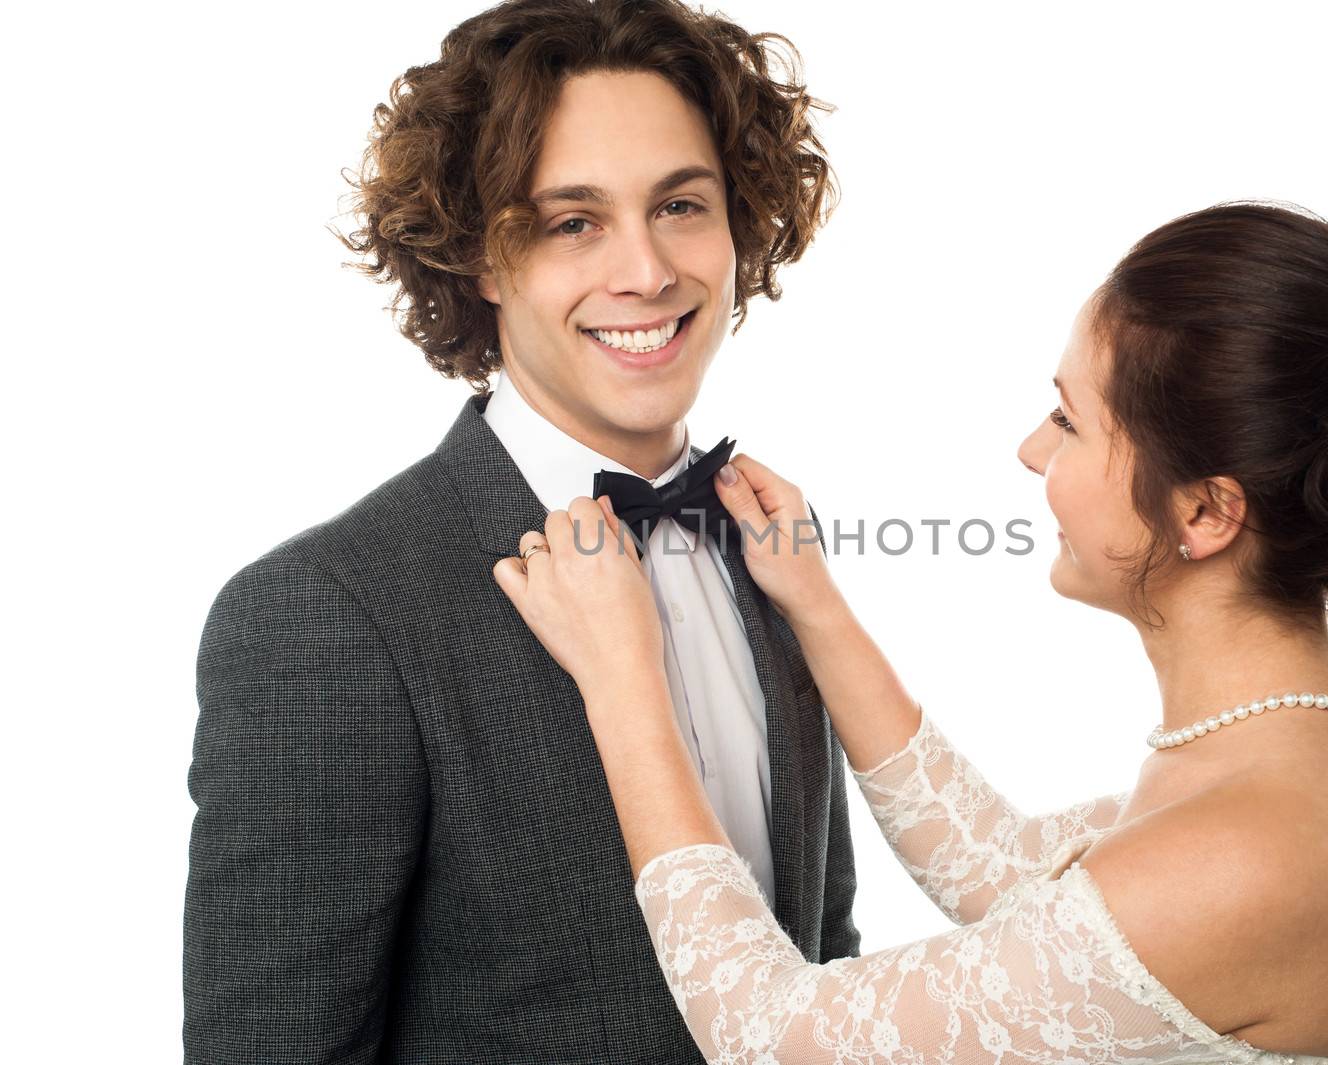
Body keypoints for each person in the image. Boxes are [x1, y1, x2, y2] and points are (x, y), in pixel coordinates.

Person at [496, 203, 1328, 1062]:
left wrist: (623, 682)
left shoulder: (1252, 856)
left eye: (1069, 421)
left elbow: (770, 1036)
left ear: (1207, 515)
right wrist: (816, 606)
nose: (1030, 449)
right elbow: (1008, 873)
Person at [183, 1, 861, 1060]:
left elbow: (823, 966)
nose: (645, 271)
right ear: (480, 260)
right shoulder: (326, 611)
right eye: (572, 222)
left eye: (681, 205)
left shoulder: (768, 548)